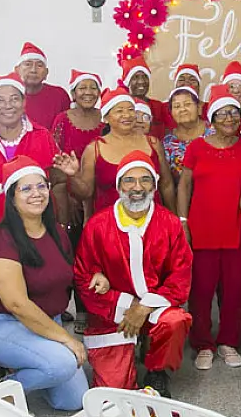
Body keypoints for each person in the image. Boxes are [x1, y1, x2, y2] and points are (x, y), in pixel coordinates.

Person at [73, 150, 193, 397]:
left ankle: (157, 370)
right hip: (112, 311)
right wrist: (126, 304)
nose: (137, 187)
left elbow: (180, 275)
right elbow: (84, 276)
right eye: (129, 180)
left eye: (145, 179)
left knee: (175, 321)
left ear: (154, 185)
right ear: (119, 185)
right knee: (114, 394)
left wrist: (144, 307)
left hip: (155, 306)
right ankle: (125, 353)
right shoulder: (98, 225)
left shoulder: (169, 223)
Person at [0, 156, 89, 410]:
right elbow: (16, 304)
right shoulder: (2, 239)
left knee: (74, 401)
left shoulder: (56, 232)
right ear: (11, 197)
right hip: (5, 324)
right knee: (63, 363)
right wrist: (67, 339)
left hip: (47, 322)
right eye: (26, 188)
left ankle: (34, 365)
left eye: (41, 186)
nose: (36, 194)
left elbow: (68, 276)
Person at [0, 73, 77, 295]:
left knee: (32, 293)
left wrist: (60, 221)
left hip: (32, 232)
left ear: (24, 102)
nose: (7, 105)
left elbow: (57, 182)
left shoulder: (43, 137)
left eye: (14, 98)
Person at [177, 85, 241, 370]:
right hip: (202, 231)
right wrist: (183, 222)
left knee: (236, 290)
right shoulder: (196, 147)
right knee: (200, 291)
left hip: (237, 231)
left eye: (234, 113)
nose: (229, 118)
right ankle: (202, 343)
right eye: (222, 113)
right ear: (211, 118)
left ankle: (228, 341)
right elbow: (184, 185)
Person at [70, 87, 175, 214]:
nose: (127, 115)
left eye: (131, 110)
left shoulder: (153, 143)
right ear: (106, 118)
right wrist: (73, 176)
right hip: (109, 225)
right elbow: (86, 193)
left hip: (151, 222)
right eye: (119, 111)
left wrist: (174, 217)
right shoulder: (95, 149)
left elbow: (166, 184)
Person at [14, 42, 71, 130]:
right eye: (28, 64)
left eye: (39, 65)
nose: (33, 70)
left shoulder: (59, 95)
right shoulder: (8, 97)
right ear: (17, 70)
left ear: (46, 73)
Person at [51, 70, 103, 162]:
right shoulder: (62, 119)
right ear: (73, 94)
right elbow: (54, 153)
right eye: (82, 88)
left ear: (99, 94)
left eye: (93, 88)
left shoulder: (106, 118)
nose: (88, 92)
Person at [163, 86, 207, 184]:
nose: (182, 109)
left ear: (199, 107)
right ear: (171, 113)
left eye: (187, 104)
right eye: (177, 106)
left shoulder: (215, 132)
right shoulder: (167, 143)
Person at [121, 56, 169, 139]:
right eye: (135, 77)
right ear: (128, 81)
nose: (141, 81)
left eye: (144, 76)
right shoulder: (120, 107)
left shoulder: (159, 107)